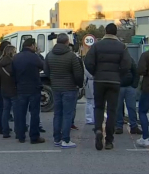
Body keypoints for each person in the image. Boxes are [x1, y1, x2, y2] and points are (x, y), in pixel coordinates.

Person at [84, 23, 132, 151]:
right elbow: (128, 64)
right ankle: (109, 140)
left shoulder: (96, 46)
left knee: (98, 107)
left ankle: (98, 130)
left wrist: (95, 72)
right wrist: (119, 75)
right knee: (112, 110)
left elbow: (88, 61)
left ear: (105, 31)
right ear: (116, 33)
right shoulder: (122, 47)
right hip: (114, 82)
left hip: (99, 80)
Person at [44, 33, 84, 148]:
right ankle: (66, 140)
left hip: (56, 88)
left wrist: (53, 79)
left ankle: (57, 139)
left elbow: (46, 71)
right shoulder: (71, 56)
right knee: (67, 114)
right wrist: (79, 85)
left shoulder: (49, 55)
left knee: (57, 114)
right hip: (70, 88)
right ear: (67, 42)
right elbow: (78, 74)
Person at [12, 38, 45, 144]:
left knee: (21, 113)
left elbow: (12, 73)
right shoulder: (34, 57)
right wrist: (39, 55)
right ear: (31, 45)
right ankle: (34, 137)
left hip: (21, 88)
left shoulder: (16, 57)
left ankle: (21, 136)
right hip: (34, 88)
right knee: (34, 113)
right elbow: (43, 66)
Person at [115, 57, 142, 135]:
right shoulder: (121, 59)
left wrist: (134, 84)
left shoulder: (129, 59)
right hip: (120, 86)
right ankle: (119, 126)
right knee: (119, 107)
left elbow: (136, 71)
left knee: (131, 107)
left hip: (128, 86)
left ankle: (133, 126)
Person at [0, 45, 18, 138]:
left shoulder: (0, 63)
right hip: (13, 89)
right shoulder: (12, 63)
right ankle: (18, 131)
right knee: (16, 111)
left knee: (5, 111)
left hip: (4, 89)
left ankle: (5, 131)